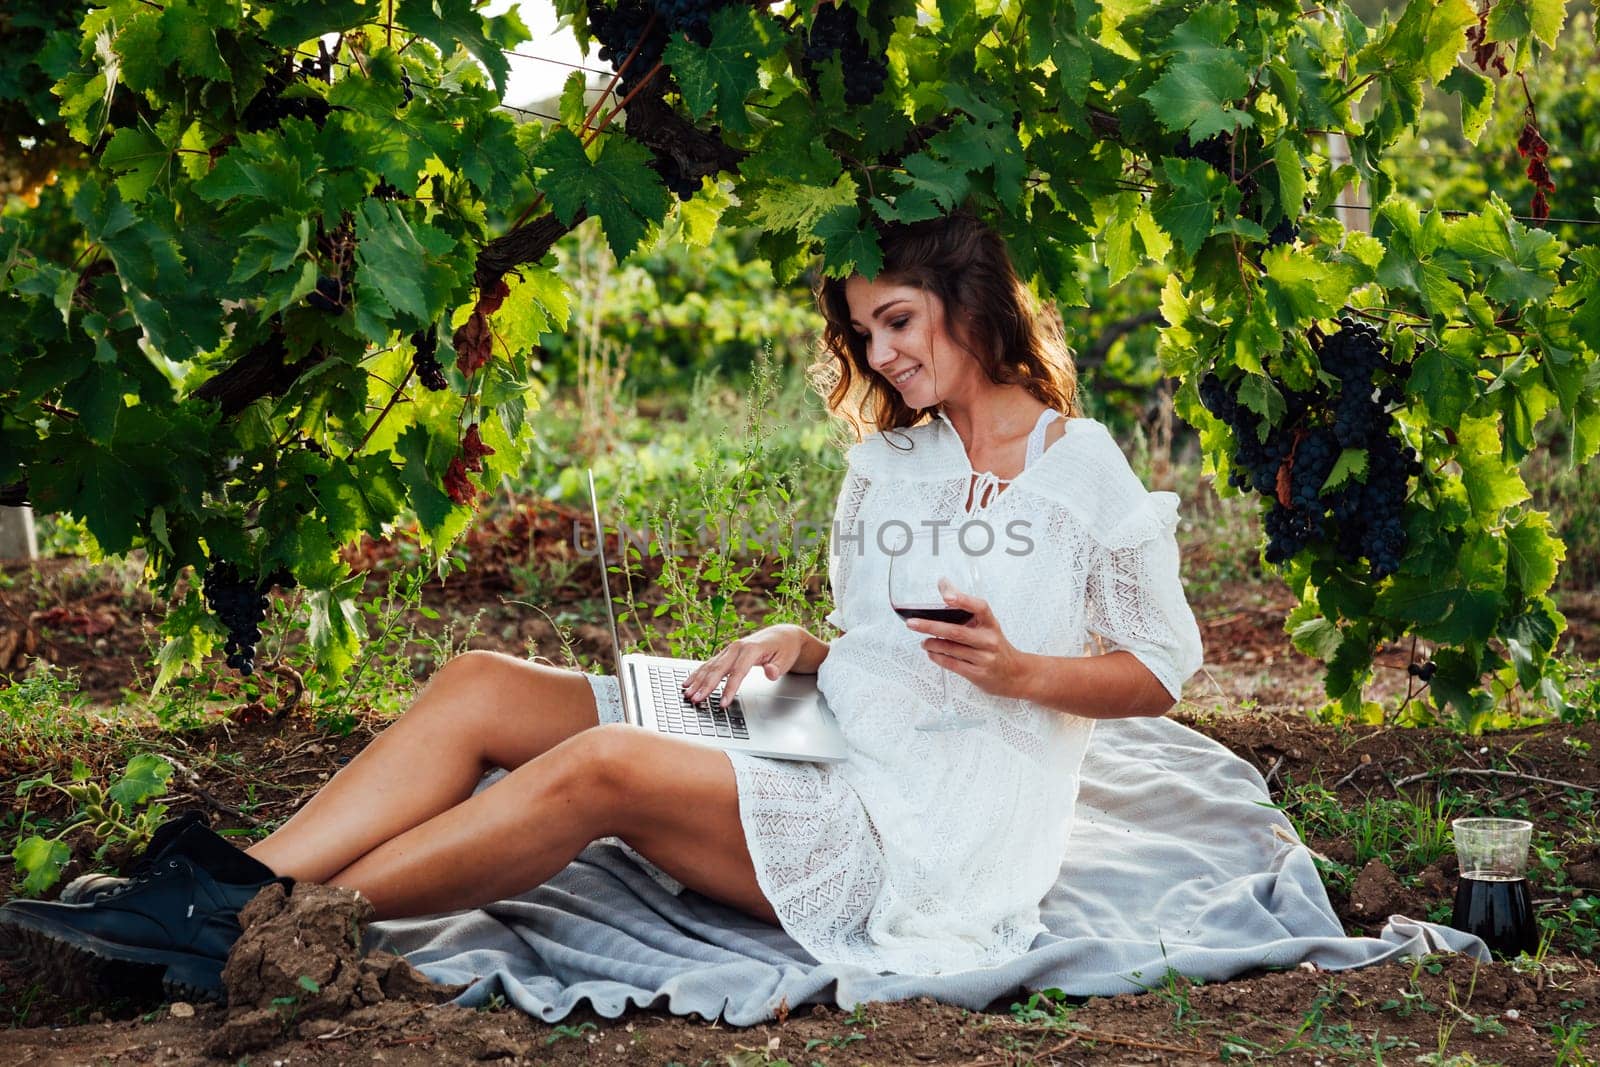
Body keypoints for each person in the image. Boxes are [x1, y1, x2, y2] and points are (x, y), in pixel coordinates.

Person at [0, 211, 1203, 1002]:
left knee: (605, 765)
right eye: (860, 330)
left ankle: (277, 926)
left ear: (971, 298)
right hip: (835, 725)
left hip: (930, 828)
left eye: (895, 320)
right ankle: (218, 886)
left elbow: (1160, 666)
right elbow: (887, 641)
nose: (878, 353)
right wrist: (808, 646)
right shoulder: (892, 463)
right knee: (481, 678)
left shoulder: (1079, 464)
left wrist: (1023, 672)